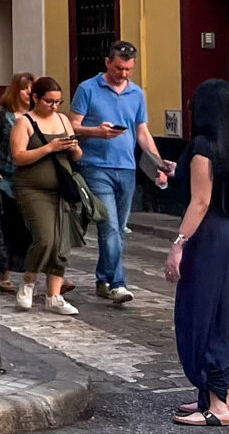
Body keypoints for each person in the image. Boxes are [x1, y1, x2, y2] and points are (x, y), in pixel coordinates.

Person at [165, 78, 229, 427]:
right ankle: (222, 396)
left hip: (211, 237)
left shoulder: (203, 145)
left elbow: (201, 200)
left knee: (204, 317)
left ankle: (217, 406)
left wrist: (178, 245)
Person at [71, 41, 177, 304]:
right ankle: (118, 283)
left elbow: (142, 133)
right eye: (119, 68)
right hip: (96, 166)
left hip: (127, 167)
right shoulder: (88, 89)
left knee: (119, 229)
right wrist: (97, 132)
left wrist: (158, 164)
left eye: (129, 69)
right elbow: (72, 125)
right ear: (108, 62)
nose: (123, 74)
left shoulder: (137, 94)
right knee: (110, 226)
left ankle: (103, 279)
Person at [9, 75, 84, 315]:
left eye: (58, 102)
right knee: (45, 238)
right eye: (49, 101)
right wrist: (49, 147)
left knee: (61, 244)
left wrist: (73, 148)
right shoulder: (25, 123)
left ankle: (54, 295)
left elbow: (78, 155)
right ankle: (29, 282)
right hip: (32, 188)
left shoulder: (63, 120)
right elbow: (19, 156)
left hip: (61, 188)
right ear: (35, 98)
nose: (54, 106)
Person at [0, 72, 36, 295]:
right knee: (5, 227)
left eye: (32, 90)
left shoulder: (36, 117)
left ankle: (48, 275)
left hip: (28, 177)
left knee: (33, 228)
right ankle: (3, 274)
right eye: (25, 89)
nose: (29, 94)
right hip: (4, 176)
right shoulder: (3, 115)